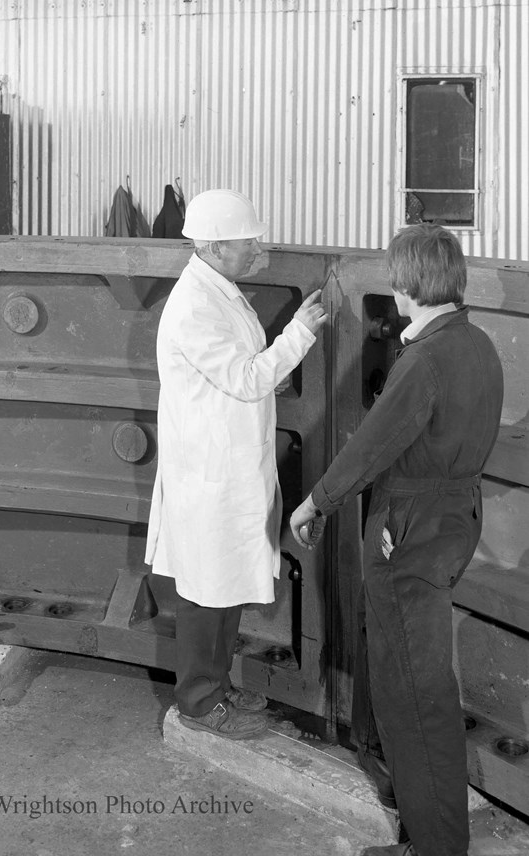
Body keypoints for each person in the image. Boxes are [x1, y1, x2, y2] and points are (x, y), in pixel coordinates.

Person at [290, 224, 504, 856]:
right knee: (411, 679)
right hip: (453, 521)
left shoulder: (424, 360)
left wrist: (316, 501)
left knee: (416, 692)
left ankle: (435, 846)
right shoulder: (479, 345)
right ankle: (421, 824)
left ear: (410, 281)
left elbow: (370, 445)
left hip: (407, 532)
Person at [145, 189, 328, 739]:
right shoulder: (196, 305)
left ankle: (215, 687)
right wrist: (301, 331)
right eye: (250, 240)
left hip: (224, 467)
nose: (259, 249)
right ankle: (199, 703)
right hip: (209, 473)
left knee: (221, 586)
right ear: (216, 245)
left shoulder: (217, 288)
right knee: (205, 592)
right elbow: (248, 378)